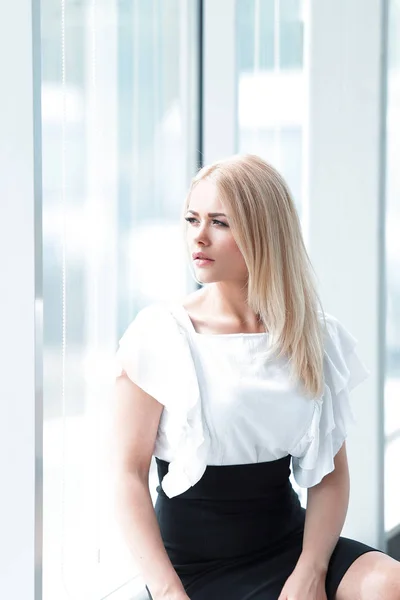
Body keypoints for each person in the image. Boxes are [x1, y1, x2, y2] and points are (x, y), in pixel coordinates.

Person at [113, 154, 400, 600]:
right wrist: (168, 592)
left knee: (389, 583)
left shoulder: (312, 335)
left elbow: (329, 475)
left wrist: (310, 573)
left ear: (262, 232)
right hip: (191, 571)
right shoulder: (161, 336)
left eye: (219, 223)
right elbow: (126, 475)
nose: (199, 237)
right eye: (192, 219)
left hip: (289, 547)